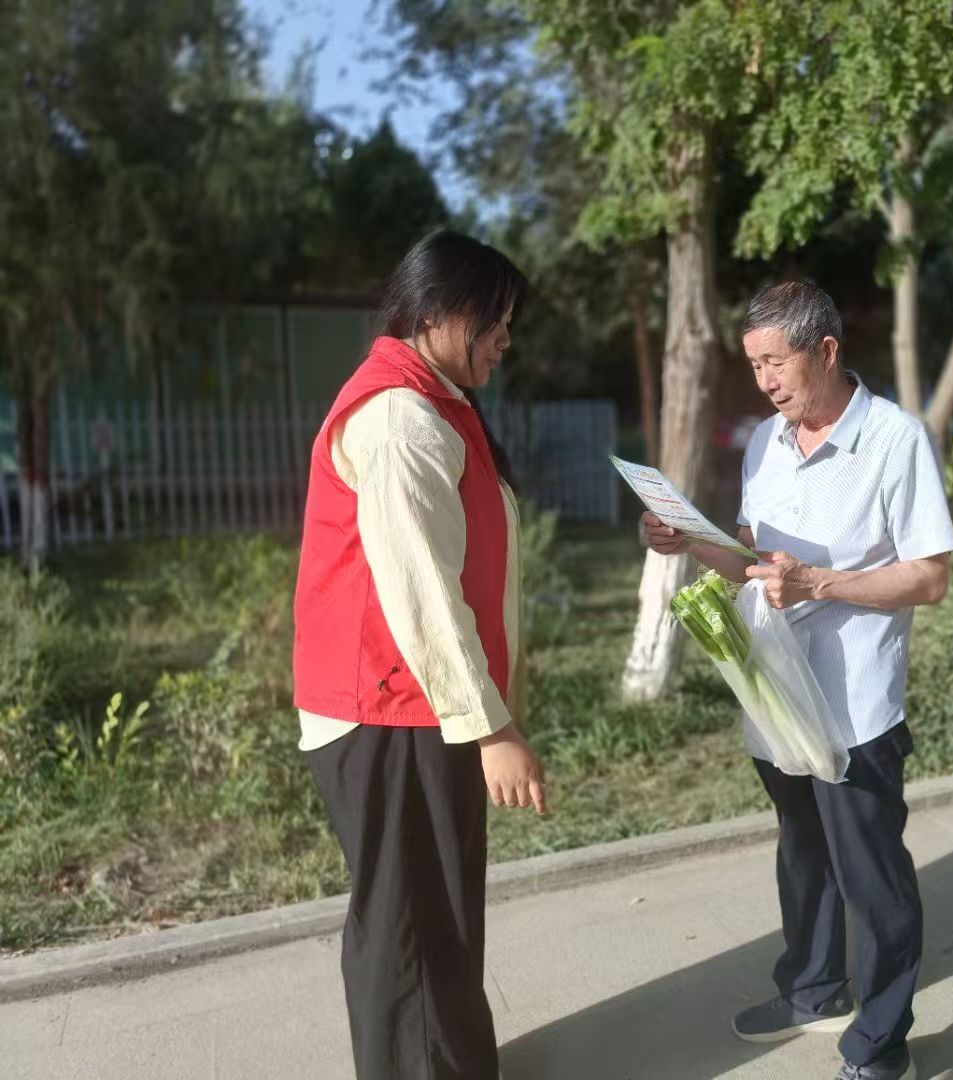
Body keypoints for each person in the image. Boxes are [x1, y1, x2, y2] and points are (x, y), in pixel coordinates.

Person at [643, 281, 953, 1080]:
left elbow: (929, 577)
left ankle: (881, 1042)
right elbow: (752, 561)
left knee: (871, 877)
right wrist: (687, 541)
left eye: (776, 362)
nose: (765, 381)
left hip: (854, 705)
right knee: (803, 854)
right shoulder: (766, 442)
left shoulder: (894, 440)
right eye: (754, 365)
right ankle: (815, 989)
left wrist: (817, 582)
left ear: (826, 350)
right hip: (776, 690)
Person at [293, 230, 546, 1080]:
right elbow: (423, 594)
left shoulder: (433, 399)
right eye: (494, 321)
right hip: (391, 708)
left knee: (431, 916)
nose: (505, 339)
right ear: (439, 312)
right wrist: (492, 728)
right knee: (410, 929)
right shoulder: (400, 417)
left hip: (414, 706)